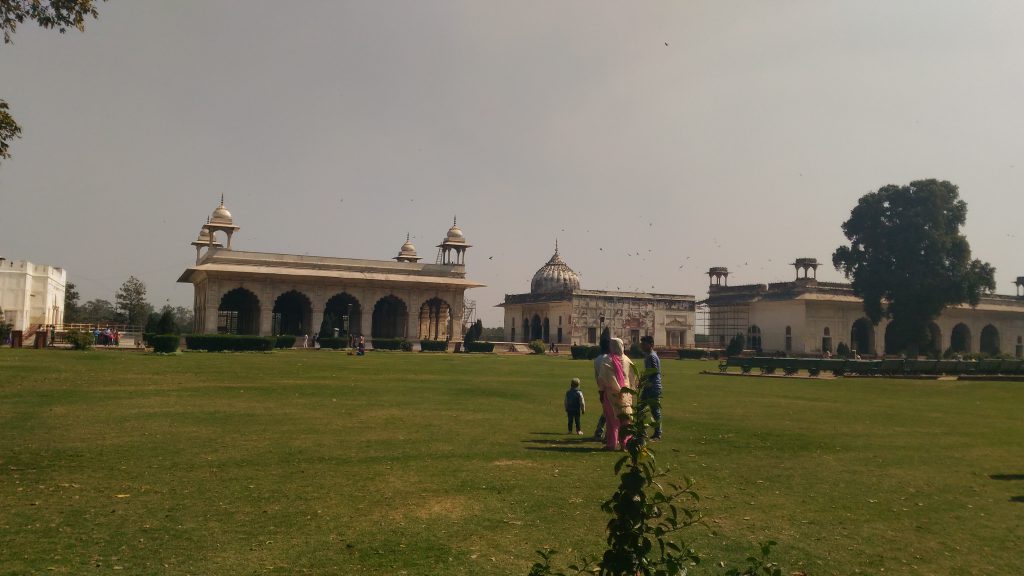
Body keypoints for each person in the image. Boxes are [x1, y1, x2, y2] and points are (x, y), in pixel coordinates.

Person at [596, 337, 635, 451]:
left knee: (612, 421)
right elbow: (633, 377)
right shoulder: (627, 360)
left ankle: (612, 444)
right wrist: (630, 389)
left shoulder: (607, 360)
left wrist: (601, 391)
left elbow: (603, 378)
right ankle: (625, 444)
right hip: (626, 394)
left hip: (611, 394)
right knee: (625, 420)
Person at [639, 335, 663, 441]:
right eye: (642, 344)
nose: (642, 346)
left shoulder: (652, 356)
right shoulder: (648, 355)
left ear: (651, 345)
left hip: (653, 386)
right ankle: (642, 431)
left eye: (644, 344)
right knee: (640, 408)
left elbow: (654, 371)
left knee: (654, 411)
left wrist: (643, 378)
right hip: (648, 386)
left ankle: (658, 433)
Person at [592, 335, 611, 441]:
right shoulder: (607, 359)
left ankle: (599, 431)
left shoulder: (597, 359)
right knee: (610, 412)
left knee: (606, 411)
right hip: (609, 388)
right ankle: (605, 433)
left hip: (601, 388)